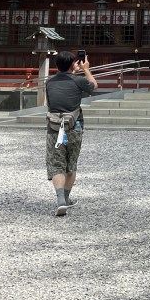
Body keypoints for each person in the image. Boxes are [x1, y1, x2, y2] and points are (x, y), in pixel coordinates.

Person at [45, 50, 97, 216]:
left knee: (56, 164)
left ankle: (60, 200)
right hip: (74, 126)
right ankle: (66, 199)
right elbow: (94, 87)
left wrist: (71, 71)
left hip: (53, 127)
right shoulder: (79, 80)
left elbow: (51, 102)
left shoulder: (49, 82)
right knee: (70, 163)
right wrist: (86, 69)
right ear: (72, 64)